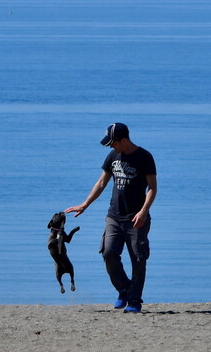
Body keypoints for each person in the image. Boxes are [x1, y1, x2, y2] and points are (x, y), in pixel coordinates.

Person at [65, 122, 157, 313]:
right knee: (108, 252)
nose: (111, 146)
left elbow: (152, 188)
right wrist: (85, 204)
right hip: (114, 216)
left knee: (138, 259)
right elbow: (101, 183)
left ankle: (134, 301)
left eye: (113, 142)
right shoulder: (113, 156)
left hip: (136, 218)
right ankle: (124, 289)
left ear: (124, 140)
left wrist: (143, 211)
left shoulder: (144, 157)